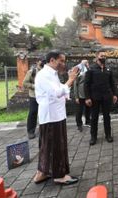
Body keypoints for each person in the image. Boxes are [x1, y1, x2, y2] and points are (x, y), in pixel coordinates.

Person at [33, 51, 79, 185]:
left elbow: (61, 90)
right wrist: (70, 80)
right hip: (51, 116)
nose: (63, 64)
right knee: (55, 146)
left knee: (48, 145)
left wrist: (67, 85)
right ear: (52, 60)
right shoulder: (44, 75)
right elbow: (57, 92)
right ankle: (58, 175)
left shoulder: (52, 74)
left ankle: (42, 172)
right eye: (61, 61)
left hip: (56, 114)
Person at [85, 50, 117, 145]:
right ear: (97, 57)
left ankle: (108, 135)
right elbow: (86, 84)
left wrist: (114, 94)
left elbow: (112, 83)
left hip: (106, 97)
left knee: (107, 117)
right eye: (102, 55)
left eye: (105, 56)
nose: (104, 57)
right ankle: (93, 137)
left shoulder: (108, 69)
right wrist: (87, 98)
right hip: (95, 98)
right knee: (94, 118)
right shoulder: (91, 69)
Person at [22, 57, 45, 139]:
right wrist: (34, 86)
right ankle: (31, 131)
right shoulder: (32, 72)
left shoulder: (47, 71)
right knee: (33, 113)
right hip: (34, 96)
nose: (42, 63)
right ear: (37, 62)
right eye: (41, 61)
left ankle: (44, 129)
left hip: (44, 96)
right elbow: (24, 83)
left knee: (44, 113)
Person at [74, 59, 91, 132]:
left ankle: (88, 121)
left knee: (88, 109)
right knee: (79, 111)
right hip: (80, 94)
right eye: (85, 63)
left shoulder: (89, 70)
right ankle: (79, 124)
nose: (87, 63)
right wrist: (76, 96)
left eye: (87, 62)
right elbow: (75, 84)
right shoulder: (79, 71)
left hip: (88, 94)